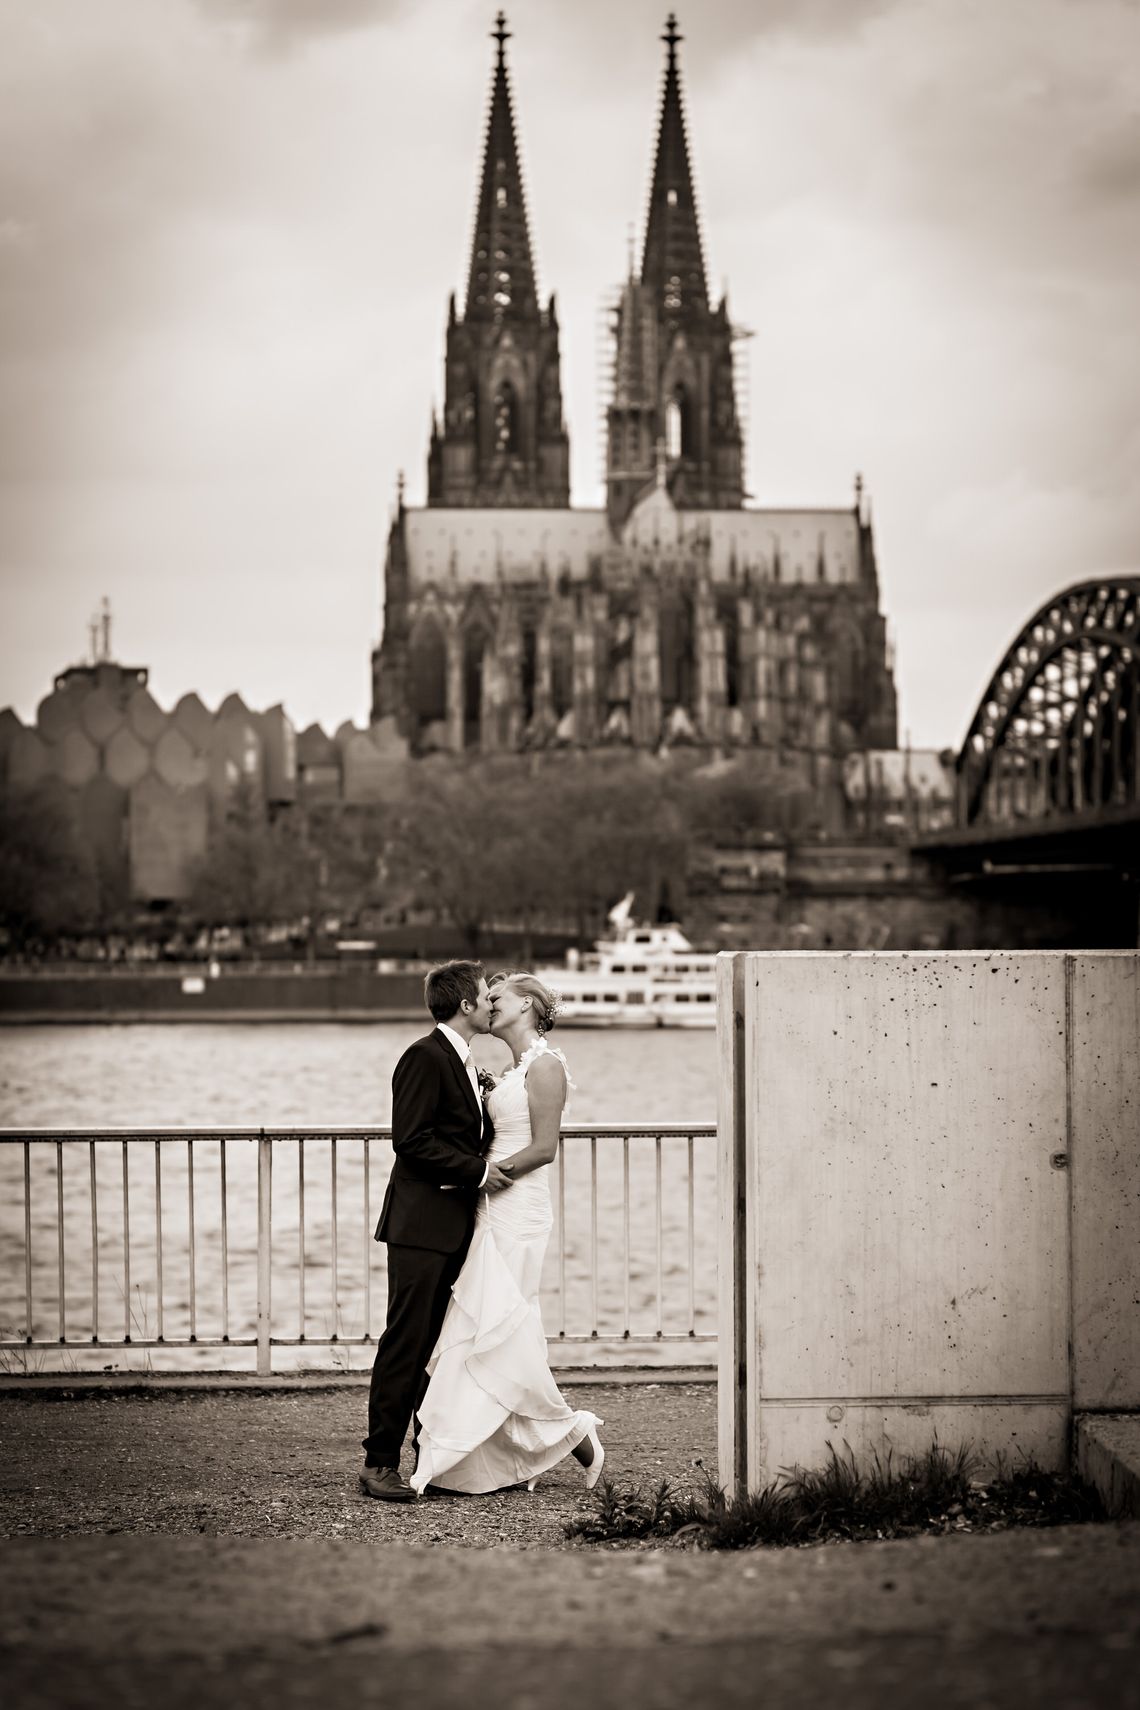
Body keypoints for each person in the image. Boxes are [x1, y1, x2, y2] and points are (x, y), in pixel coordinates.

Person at [409, 971, 604, 1496]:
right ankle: (498, 1452)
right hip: (488, 1204)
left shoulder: (545, 1067)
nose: (488, 1004)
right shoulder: (508, 1070)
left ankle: (571, 1433)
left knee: (502, 1322)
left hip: (517, 1204)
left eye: (499, 997)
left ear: (530, 1005)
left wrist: (492, 1177)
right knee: (488, 1323)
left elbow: (544, 1148)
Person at [360, 960, 514, 1502]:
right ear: (465, 1006)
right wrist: (476, 1171)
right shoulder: (425, 1057)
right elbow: (411, 1139)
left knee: (442, 1347)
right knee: (406, 1344)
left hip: (453, 1227)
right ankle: (379, 1463)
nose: (493, 1001)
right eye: (484, 994)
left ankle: (435, 1454)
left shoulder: (465, 1060)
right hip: (421, 1227)